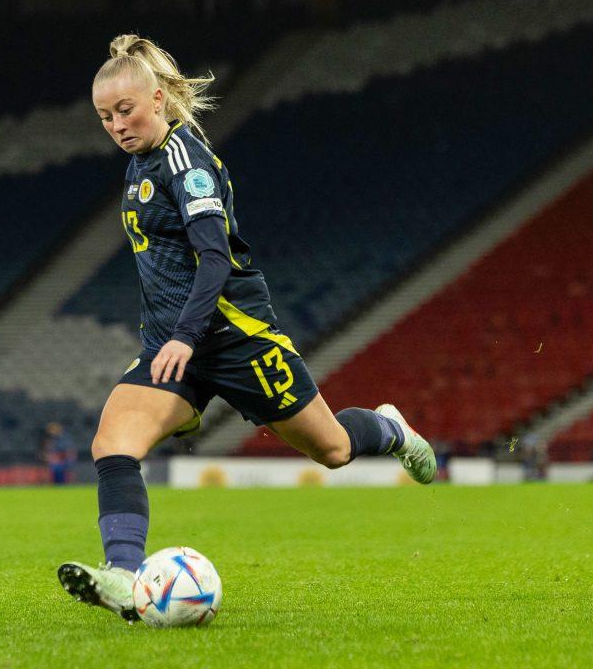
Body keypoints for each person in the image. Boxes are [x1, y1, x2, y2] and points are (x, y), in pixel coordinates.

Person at [56, 35, 436, 622]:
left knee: (332, 449)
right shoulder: (138, 166)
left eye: (125, 111)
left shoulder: (188, 161)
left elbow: (214, 259)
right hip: (171, 346)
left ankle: (388, 429)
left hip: (234, 339)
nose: (116, 126)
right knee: (112, 444)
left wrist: (186, 334)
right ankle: (126, 578)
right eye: (104, 116)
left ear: (158, 99)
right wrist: (173, 338)